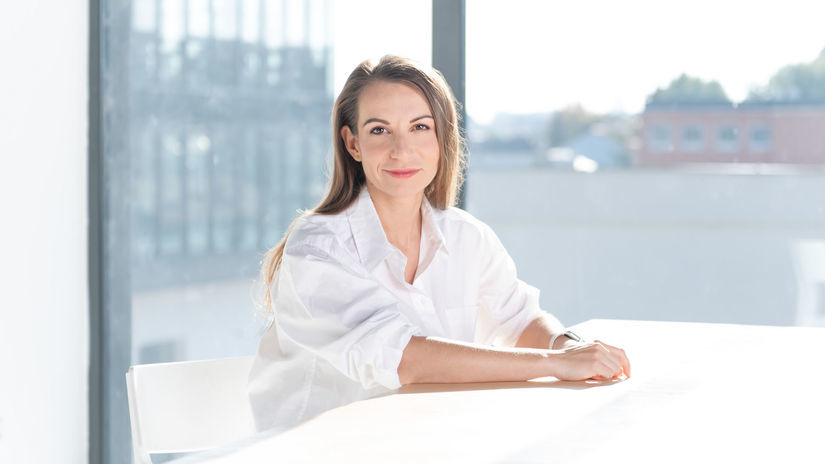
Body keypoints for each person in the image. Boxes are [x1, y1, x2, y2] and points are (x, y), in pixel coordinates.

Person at [248, 55, 631, 432]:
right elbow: (403, 359)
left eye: (419, 127)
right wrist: (553, 364)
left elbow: (520, 319)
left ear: (441, 137)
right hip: (314, 448)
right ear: (353, 144)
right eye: (379, 130)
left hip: (423, 439)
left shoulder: (466, 236)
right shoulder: (318, 247)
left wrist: (569, 347)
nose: (402, 149)